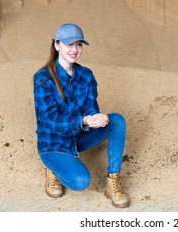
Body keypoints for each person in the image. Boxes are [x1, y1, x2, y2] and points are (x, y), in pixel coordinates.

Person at [33, 23, 129, 208]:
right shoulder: (42, 78)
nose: (75, 50)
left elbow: (90, 107)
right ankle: (53, 167)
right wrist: (82, 121)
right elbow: (49, 120)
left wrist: (95, 117)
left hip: (78, 136)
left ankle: (113, 183)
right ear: (57, 45)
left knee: (116, 120)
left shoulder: (86, 75)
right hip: (54, 142)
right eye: (69, 44)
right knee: (80, 182)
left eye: (79, 44)